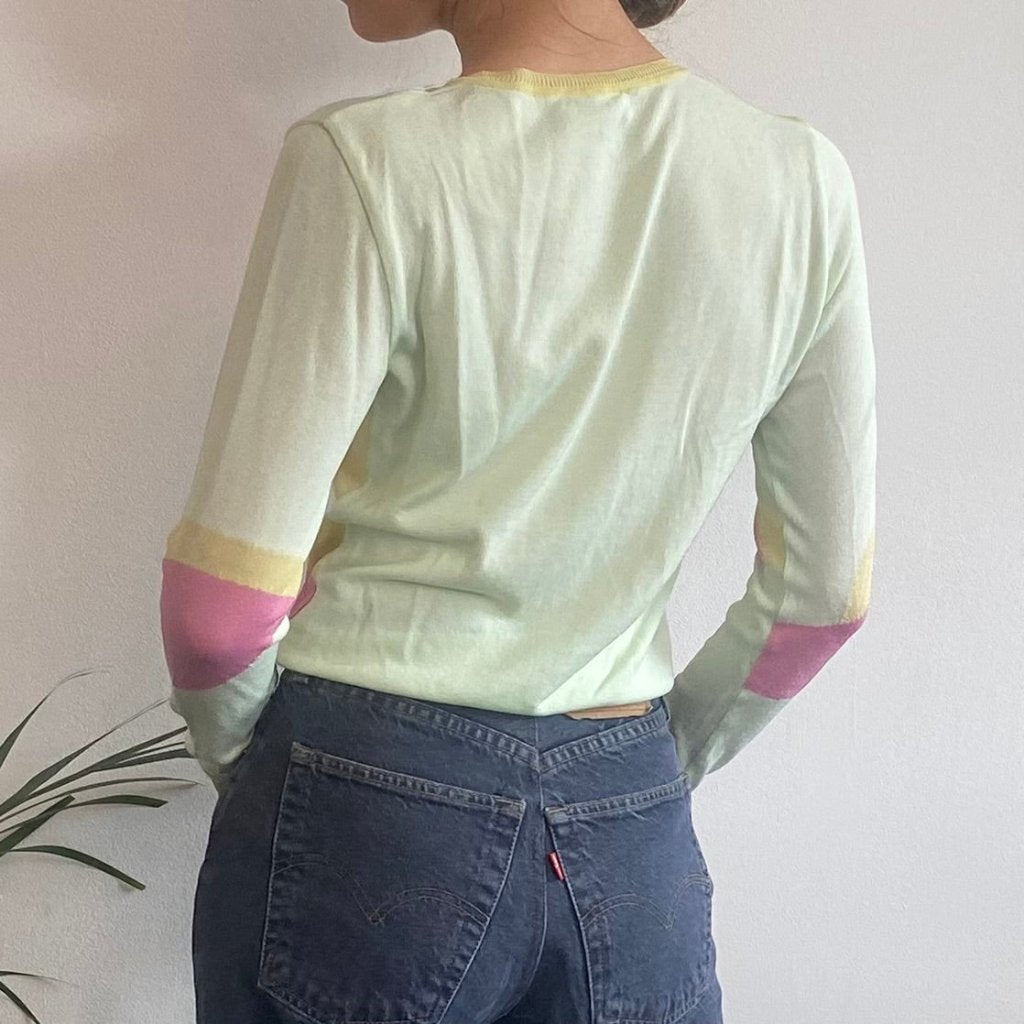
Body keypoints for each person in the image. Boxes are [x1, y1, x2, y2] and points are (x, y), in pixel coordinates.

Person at [159, 0, 876, 1021]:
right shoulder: (800, 180)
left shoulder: (367, 161)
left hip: (366, 780)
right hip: (628, 815)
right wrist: (649, 766)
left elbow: (217, 616)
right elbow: (823, 596)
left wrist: (281, 772)